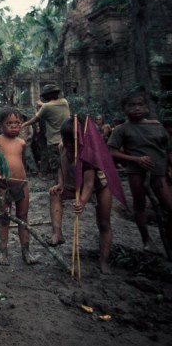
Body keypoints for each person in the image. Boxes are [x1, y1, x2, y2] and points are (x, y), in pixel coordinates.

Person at [108, 91, 172, 252]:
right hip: (137, 173)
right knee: (140, 204)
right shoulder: (122, 129)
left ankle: (168, 237)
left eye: (140, 105)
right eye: (131, 105)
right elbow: (111, 152)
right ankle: (146, 239)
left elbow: (168, 149)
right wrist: (136, 160)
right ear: (124, 109)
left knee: (169, 206)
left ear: (147, 107)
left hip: (159, 173)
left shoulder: (157, 126)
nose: (136, 108)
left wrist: (169, 167)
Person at [49, 117, 114, 273]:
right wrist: (61, 184)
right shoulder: (61, 147)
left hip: (100, 186)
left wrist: (82, 202)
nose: (69, 145)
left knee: (104, 223)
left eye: (74, 142)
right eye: (66, 141)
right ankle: (57, 233)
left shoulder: (88, 154)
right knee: (54, 194)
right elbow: (60, 167)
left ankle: (104, 260)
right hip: (75, 185)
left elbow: (90, 183)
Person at [0, 108, 38, 266]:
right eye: (9, 123)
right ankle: (3, 252)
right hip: (4, 185)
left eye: (17, 123)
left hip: (22, 184)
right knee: (4, 219)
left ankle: (26, 251)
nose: (14, 126)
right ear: (1, 125)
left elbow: (21, 162)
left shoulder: (21, 143)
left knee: (23, 217)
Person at [21, 84, 70, 180]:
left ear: (47, 96)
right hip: (66, 140)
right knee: (67, 163)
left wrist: (24, 124)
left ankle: (60, 185)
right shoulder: (64, 102)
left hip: (54, 141)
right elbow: (52, 105)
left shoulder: (46, 107)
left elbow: (35, 119)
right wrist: (42, 104)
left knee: (57, 166)